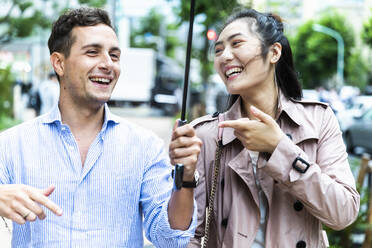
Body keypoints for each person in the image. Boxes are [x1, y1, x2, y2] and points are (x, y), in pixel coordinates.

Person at [0, 7, 202, 247]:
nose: (108, 64)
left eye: (114, 56)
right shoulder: (12, 144)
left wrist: (186, 179)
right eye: (93, 52)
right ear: (59, 63)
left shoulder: (145, 146)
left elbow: (171, 239)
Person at [188, 8, 359, 248]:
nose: (225, 56)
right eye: (218, 50)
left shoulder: (318, 120)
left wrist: (280, 149)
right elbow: (189, 235)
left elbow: (343, 212)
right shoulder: (207, 134)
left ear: (274, 52)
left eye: (236, 43)